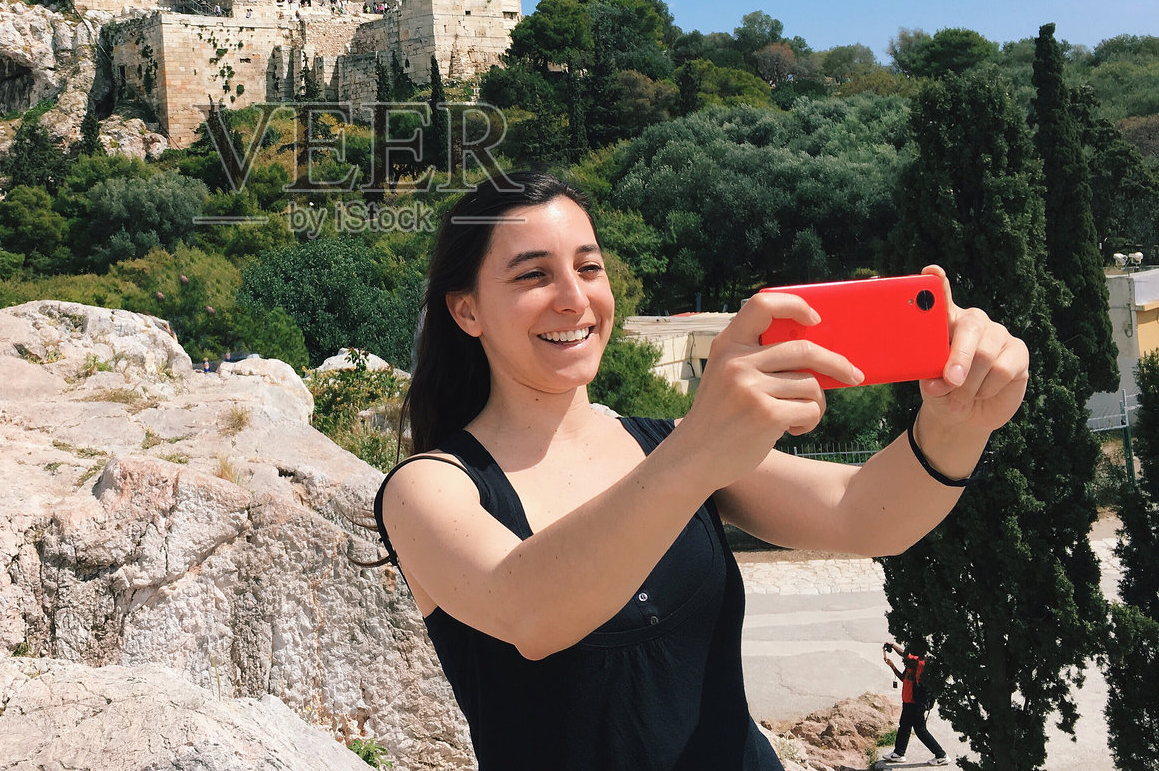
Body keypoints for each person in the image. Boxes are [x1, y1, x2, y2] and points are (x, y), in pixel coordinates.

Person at [371, 172, 1027, 770]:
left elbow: (864, 514)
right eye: (533, 275)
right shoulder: (427, 488)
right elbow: (532, 613)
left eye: (589, 267)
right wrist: (702, 446)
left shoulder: (669, 446)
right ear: (467, 310)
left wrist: (959, 422)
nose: (573, 298)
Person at [883, 642, 947, 764]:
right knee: (904, 727)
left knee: (920, 731)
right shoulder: (911, 664)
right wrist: (892, 666)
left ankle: (941, 755)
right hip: (908, 702)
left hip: (915, 703)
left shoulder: (920, 662)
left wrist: (892, 645)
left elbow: (904, 654)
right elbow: (903, 678)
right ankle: (898, 753)